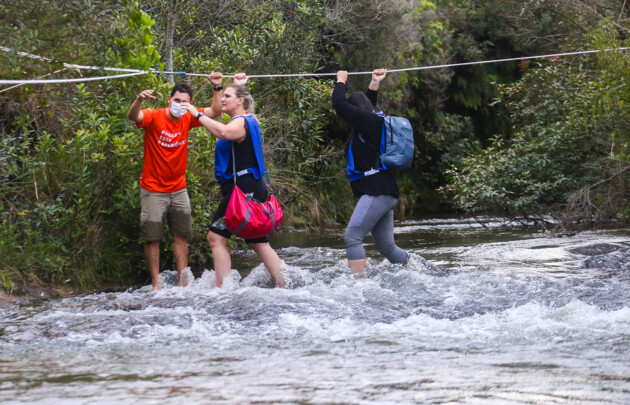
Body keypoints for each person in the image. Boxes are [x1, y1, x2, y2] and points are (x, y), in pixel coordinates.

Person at [182, 75, 286, 288]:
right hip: (250, 187)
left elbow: (223, 132)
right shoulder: (246, 119)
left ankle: (223, 289)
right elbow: (228, 118)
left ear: (241, 101)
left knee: (215, 238)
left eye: (228, 96)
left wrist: (197, 114)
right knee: (257, 241)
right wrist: (237, 85)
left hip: (243, 190)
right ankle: (284, 283)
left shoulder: (241, 122)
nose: (223, 100)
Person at [127, 73, 224, 291]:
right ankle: (156, 285)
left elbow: (216, 112)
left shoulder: (189, 117)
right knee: (152, 237)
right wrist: (139, 100)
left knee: (181, 236)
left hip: (179, 188)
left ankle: (184, 282)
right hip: (152, 189)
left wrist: (217, 87)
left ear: (190, 105)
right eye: (177, 101)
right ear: (170, 100)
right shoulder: (155, 115)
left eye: (185, 102)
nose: (180, 105)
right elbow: (135, 117)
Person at [332, 69, 410, 277]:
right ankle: (416, 270)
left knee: (352, 237)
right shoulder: (375, 122)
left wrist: (341, 81)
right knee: (387, 248)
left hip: (377, 191)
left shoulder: (369, 122)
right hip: (385, 190)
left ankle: (356, 284)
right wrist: (375, 82)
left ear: (359, 111)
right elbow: (368, 105)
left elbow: (339, 104)